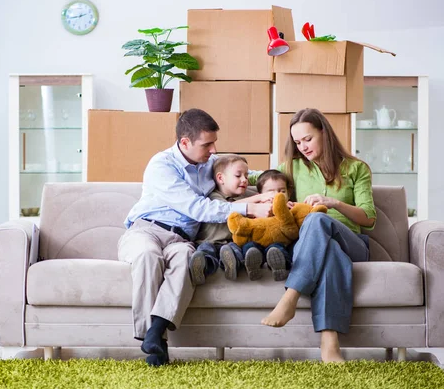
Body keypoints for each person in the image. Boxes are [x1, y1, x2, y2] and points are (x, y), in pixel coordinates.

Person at [118, 109, 272, 367]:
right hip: (146, 229)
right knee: (148, 256)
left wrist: (274, 182)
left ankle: (155, 333)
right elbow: (197, 208)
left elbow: (243, 172)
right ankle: (154, 341)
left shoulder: (211, 163)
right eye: (207, 144)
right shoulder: (162, 165)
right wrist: (249, 207)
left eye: (215, 143)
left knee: (187, 260)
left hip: (181, 240)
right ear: (185, 142)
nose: (214, 150)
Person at [259, 108, 376, 363]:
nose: (302, 147)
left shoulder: (356, 168)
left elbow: (369, 218)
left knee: (316, 217)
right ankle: (329, 343)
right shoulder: (291, 168)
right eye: (298, 142)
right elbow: (253, 179)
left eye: (308, 139)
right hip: (319, 250)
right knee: (329, 250)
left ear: (324, 132)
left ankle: (291, 295)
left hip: (353, 244)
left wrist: (333, 202)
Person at [189, 155, 275, 285]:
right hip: (209, 241)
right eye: (238, 176)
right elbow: (229, 208)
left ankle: (230, 266)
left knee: (233, 250)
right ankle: (200, 266)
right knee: (205, 250)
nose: (244, 180)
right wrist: (259, 199)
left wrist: (275, 201)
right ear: (220, 178)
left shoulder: (248, 194)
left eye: (246, 176)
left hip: (230, 243)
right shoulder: (213, 196)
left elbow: (269, 199)